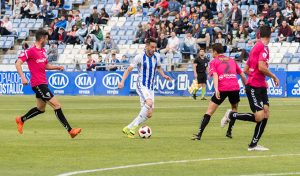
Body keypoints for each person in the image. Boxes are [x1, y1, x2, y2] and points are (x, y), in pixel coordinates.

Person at [221, 26, 280, 151]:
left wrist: (261, 79)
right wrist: (273, 76)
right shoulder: (263, 47)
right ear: (270, 36)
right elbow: (261, 67)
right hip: (253, 87)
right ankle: (232, 115)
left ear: (259, 34)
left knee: (266, 113)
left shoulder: (255, 47)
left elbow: (246, 70)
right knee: (259, 116)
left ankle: (253, 144)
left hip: (261, 85)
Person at [15, 29, 82, 138]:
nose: (47, 40)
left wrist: (57, 67)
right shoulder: (30, 51)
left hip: (43, 83)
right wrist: (23, 78)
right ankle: (70, 131)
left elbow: (45, 66)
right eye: (46, 38)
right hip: (37, 84)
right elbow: (18, 63)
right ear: (41, 39)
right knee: (57, 105)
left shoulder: (42, 51)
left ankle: (21, 119)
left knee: (41, 109)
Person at [191, 43, 247, 141]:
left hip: (222, 88)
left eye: (212, 51)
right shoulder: (232, 60)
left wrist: (216, 89)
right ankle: (229, 131)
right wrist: (246, 86)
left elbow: (215, 75)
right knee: (234, 108)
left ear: (215, 51)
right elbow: (242, 74)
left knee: (209, 111)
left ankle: (199, 134)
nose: (211, 53)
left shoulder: (214, 61)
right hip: (234, 87)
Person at [118, 38, 172, 138]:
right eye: (152, 47)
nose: (153, 49)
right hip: (141, 85)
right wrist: (122, 82)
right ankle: (133, 128)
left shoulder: (157, 56)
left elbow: (158, 67)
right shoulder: (139, 57)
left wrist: (163, 75)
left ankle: (128, 127)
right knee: (149, 103)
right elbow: (128, 70)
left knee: (149, 114)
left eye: (155, 47)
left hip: (150, 87)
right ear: (146, 46)